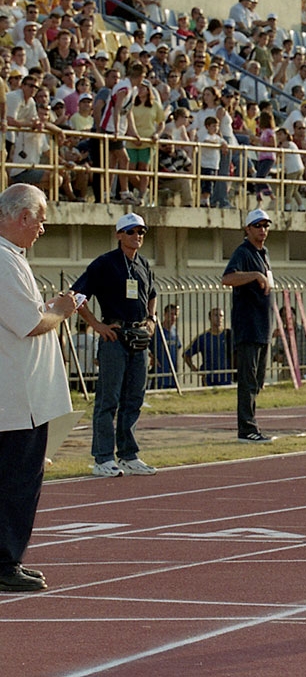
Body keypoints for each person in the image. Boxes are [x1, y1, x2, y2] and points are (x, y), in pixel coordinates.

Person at [0, 183, 78, 592]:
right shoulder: (3, 259)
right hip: (17, 398)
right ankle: (5, 560)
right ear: (22, 217)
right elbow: (30, 323)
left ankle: (9, 557)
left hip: (20, 396)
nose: (42, 230)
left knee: (15, 480)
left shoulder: (11, 258)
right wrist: (60, 311)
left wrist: (48, 309)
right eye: (41, 220)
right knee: (17, 481)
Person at [72, 212, 158, 478]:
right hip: (115, 335)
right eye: (131, 232)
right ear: (119, 235)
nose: (137, 236)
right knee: (108, 398)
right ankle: (103, 457)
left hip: (139, 336)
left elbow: (153, 293)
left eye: (141, 232)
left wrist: (151, 319)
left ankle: (128, 454)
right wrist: (96, 325)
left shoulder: (143, 264)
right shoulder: (105, 264)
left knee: (134, 398)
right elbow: (76, 295)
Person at [221, 209, 276, 443]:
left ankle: (252, 424)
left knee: (258, 380)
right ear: (248, 229)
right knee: (248, 380)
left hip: (262, 328)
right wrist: (254, 275)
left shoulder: (264, 253)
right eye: (257, 226)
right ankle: (246, 428)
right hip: (248, 327)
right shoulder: (243, 253)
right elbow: (227, 278)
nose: (262, 230)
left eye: (265, 226)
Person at [183, 307, 234, 386]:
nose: (219, 318)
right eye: (216, 315)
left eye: (221, 316)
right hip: (209, 378)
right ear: (210, 318)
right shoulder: (203, 338)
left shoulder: (229, 335)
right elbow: (186, 355)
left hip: (226, 377)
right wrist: (195, 370)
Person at [149, 303, 180, 389]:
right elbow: (146, 346)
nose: (173, 317)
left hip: (172, 372)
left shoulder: (175, 331)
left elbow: (178, 348)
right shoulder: (156, 330)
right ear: (165, 314)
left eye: (175, 314)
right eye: (171, 314)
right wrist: (151, 356)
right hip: (159, 372)